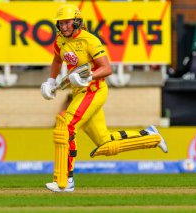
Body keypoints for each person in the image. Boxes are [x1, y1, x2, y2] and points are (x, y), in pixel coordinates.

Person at [40, 4, 168, 193]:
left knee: (66, 126)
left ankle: (65, 180)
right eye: (61, 23)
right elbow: (57, 60)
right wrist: (51, 81)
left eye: (67, 22)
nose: (64, 26)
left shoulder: (90, 40)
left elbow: (107, 69)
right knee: (105, 143)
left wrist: (88, 76)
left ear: (76, 21)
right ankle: (150, 136)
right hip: (79, 92)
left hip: (94, 90)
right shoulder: (60, 40)